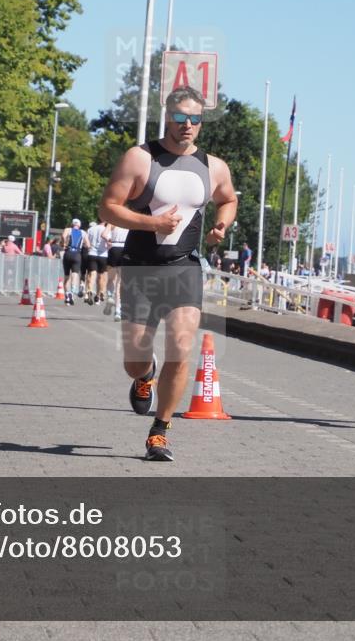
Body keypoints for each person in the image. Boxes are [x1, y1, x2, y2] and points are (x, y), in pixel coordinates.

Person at [99, 86, 237, 461]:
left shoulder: (213, 166)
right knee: (135, 362)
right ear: (168, 117)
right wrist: (151, 223)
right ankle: (146, 377)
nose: (187, 125)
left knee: (182, 345)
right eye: (180, 118)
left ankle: (159, 431)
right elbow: (108, 209)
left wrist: (221, 226)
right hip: (141, 269)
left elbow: (228, 198)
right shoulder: (140, 158)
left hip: (184, 268)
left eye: (195, 119)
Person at [102, 223, 128, 321]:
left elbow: (104, 234)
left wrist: (109, 240)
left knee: (111, 278)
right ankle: (118, 311)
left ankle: (109, 296)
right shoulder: (128, 221)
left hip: (113, 249)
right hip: (125, 249)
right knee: (119, 283)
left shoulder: (112, 221)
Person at [61, 218, 86, 305]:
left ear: (72, 224)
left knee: (67, 276)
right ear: (79, 225)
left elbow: (63, 236)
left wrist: (64, 243)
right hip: (77, 255)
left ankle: (67, 296)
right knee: (75, 274)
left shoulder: (68, 229)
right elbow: (88, 244)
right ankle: (73, 290)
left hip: (68, 253)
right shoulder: (83, 232)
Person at [84, 220, 109, 304]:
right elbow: (109, 242)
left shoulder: (91, 229)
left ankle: (89, 290)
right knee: (101, 276)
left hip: (92, 253)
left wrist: (89, 247)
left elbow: (86, 241)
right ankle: (98, 294)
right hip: (103, 255)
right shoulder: (107, 229)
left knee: (92, 274)